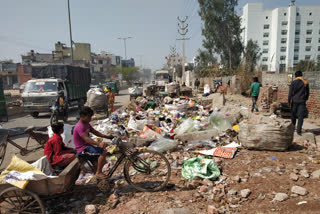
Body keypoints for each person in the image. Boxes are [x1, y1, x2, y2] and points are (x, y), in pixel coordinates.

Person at [73, 107, 114, 178]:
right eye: (89, 117)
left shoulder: (86, 124)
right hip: (82, 149)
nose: (90, 119)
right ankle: (99, 172)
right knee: (103, 152)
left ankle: (98, 177)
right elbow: (86, 139)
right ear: (82, 116)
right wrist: (99, 144)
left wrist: (106, 136)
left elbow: (95, 132)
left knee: (97, 160)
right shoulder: (79, 126)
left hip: (87, 146)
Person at [288, 71, 309, 135]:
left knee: (293, 115)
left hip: (294, 101)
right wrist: (305, 99)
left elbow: (290, 93)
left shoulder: (293, 82)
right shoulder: (305, 82)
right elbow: (307, 93)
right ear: (301, 75)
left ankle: (293, 128)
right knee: (300, 116)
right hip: (302, 101)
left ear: (295, 76)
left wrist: (289, 101)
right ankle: (299, 130)